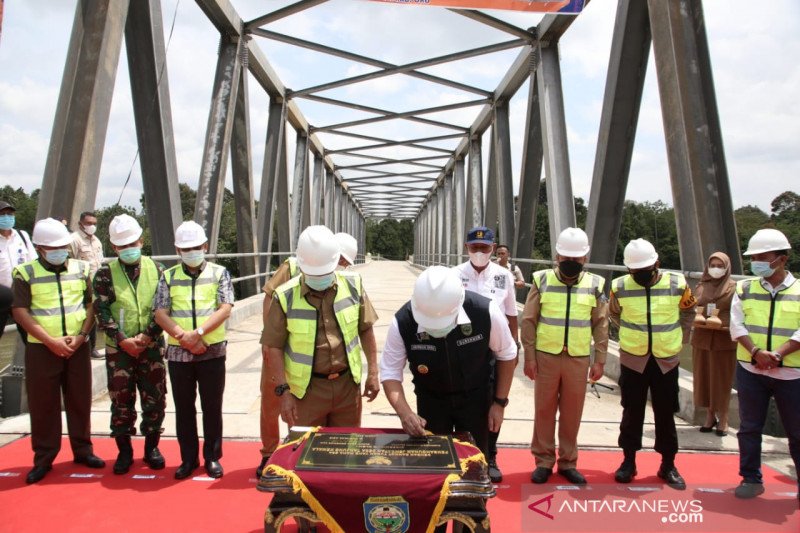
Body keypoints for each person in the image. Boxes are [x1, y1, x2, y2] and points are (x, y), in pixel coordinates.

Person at [255, 230, 362, 477]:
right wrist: (269, 338)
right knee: (272, 402)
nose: (343, 266)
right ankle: (269, 453)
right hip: (282, 347)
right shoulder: (293, 266)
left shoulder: (340, 278)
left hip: (318, 368)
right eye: (343, 261)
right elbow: (269, 296)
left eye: (345, 263)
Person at [381, 266, 516, 458]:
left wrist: (499, 403)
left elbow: (507, 354)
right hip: (431, 401)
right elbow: (390, 373)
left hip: (476, 399)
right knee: (434, 461)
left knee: (475, 458)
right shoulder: (403, 321)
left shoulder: (485, 311)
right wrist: (405, 413)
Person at [11, 218, 105, 484]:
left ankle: (83, 450)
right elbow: (20, 311)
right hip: (42, 347)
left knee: (79, 399)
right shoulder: (25, 273)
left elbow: (91, 305)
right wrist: (50, 341)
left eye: (63, 246)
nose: (60, 251)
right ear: (39, 248)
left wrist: (83, 336)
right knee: (43, 404)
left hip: (77, 345)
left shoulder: (82, 268)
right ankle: (44, 457)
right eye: (53, 247)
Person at [264, 225, 380, 432]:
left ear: (336, 262)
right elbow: (273, 348)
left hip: (347, 387)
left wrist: (373, 372)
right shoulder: (284, 296)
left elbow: (366, 329)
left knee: (346, 451)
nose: (320, 278)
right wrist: (284, 392)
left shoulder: (354, 284)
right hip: (306, 393)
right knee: (305, 455)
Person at [521, 228, 608, 485]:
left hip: (578, 359)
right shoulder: (542, 279)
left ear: (585, 258)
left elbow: (601, 323)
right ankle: (544, 461)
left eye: (577, 259)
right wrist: (529, 356)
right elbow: (528, 320)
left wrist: (600, 359)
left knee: (572, 412)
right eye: (566, 258)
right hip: (546, 356)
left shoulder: (595, 284)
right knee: (544, 410)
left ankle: (568, 462)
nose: (571, 263)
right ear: (557, 256)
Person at [609, 238, 695, 490]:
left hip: (666, 358)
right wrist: (629, 333)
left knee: (666, 412)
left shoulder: (677, 284)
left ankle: (668, 464)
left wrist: (681, 339)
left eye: (644, 270)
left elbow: (689, 311)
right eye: (635, 271)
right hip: (633, 358)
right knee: (631, 411)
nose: (639, 275)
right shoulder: (619, 286)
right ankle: (628, 461)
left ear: (657, 264)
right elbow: (614, 313)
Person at [154, 221, 233, 480]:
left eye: (196, 247)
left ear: (205, 246)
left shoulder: (220, 272)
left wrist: (197, 334)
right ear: (177, 249)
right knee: (184, 408)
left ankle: (212, 457)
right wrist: (183, 336)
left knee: (212, 406)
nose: (191, 252)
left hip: (211, 350)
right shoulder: (168, 276)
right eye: (186, 248)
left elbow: (224, 307)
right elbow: (160, 313)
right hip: (179, 353)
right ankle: (188, 458)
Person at [729, 228, 799, 502]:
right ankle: (751, 478)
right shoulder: (744, 288)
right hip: (751, 369)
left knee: (797, 431)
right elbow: (736, 325)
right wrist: (757, 352)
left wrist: (778, 354)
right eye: (753, 257)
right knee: (749, 427)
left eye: (762, 256)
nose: (756, 261)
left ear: (781, 259)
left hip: (792, 373)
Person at [93, 214, 167, 474]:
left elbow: (163, 307)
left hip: (152, 347)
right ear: (114, 248)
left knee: (155, 398)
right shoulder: (104, 274)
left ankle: (151, 448)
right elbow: (101, 311)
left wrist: (147, 336)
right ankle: (124, 451)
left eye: (132, 243)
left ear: (141, 241)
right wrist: (122, 340)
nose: (128, 249)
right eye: (122, 246)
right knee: (121, 400)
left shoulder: (157, 270)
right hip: (119, 350)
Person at [452, 226, 518, 482]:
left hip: (494, 350)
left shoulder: (504, 276)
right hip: (461, 349)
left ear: (493, 248)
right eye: (474, 247)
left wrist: (515, 347)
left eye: (484, 248)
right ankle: (459, 453)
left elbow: (511, 314)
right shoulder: (454, 274)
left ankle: (490, 455)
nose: (479, 252)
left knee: (493, 402)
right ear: (466, 248)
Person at [691, 252, 737, 437]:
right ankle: (709, 416)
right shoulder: (701, 285)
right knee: (704, 378)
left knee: (722, 380)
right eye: (713, 265)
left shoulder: (734, 288)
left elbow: (739, 313)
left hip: (723, 339)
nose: (716, 269)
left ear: (726, 268)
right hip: (702, 337)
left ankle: (723, 418)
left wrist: (723, 324)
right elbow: (693, 305)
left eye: (720, 265)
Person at [68, 211, 104, 358]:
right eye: (89, 223)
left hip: (96, 284)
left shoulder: (96, 241)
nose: (92, 226)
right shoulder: (74, 240)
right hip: (79, 285)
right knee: (81, 316)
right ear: (80, 224)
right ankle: (81, 347)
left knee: (93, 315)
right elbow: (69, 261)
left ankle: (92, 348)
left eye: (94, 224)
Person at [0, 199, 35, 342]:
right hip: (1, 297)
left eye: (10, 214)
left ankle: (35, 364)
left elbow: (33, 262)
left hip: (22, 295)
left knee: (30, 336)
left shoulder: (22, 236)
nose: (7, 218)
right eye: (3, 214)